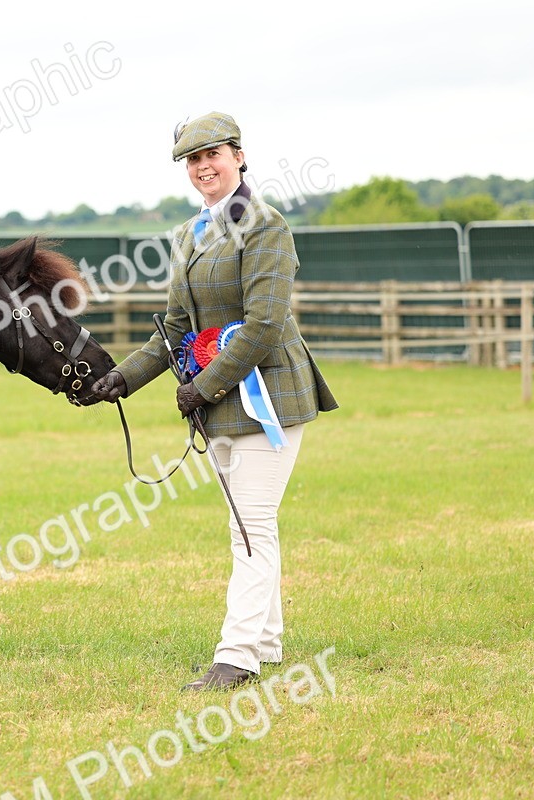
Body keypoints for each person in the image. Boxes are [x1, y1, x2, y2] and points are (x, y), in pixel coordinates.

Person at [91, 112, 338, 691]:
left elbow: (264, 325)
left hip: (268, 396)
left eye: (214, 155)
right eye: (193, 160)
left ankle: (237, 657)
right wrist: (123, 379)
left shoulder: (266, 226)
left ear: (239, 156)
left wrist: (203, 386)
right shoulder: (187, 235)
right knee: (248, 525)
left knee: (251, 525)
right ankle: (268, 641)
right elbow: (175, 326)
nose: (204, 167)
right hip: (219, 398)